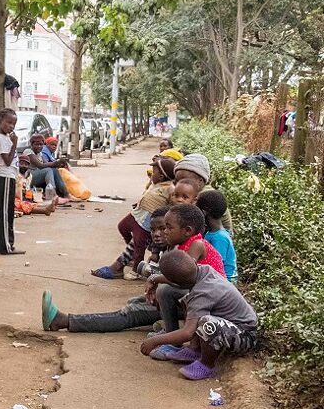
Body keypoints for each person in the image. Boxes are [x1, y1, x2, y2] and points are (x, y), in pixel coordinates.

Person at [43, 204, 225, 334]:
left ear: (187, 230)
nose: (163, 233)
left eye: (168, 228)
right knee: (137, 301)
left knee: (130, 314)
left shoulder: (195, 246)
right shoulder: (184, 245)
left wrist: (155, 279)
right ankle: (167, 322)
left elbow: (186, 279)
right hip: (193, 299)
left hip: (204, 304)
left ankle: (64, 321)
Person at [139, 251, 257, 380]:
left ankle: (207, 365)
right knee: (189, 302)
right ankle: (194, 349)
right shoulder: (204, 270)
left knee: (207, 323)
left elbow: (187, 333)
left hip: (245, 335)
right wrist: (154, 278)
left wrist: (155, 341)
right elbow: (178, 279)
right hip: (231, 325)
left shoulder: (203, 293)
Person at [91, 157, 175, 281]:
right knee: (122, 226)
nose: (152, 173)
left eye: (154, 171)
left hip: (147, 222)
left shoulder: (169, 188)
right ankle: (130, 256)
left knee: (139, 245)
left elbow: (170, 205)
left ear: (162, 176)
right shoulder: (155, 184)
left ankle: (134, 269)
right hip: (138, 214)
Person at [0, 108, 24, 255]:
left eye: (13, 124)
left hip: (4, 176)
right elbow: (8, 161)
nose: (11, 126)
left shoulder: (4, 137)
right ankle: (6, 246)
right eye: (8, 123)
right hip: (4, 177)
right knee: (5, 214)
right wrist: (15, 143)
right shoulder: (2, 139)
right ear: (0, 121)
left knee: (0, 213)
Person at [174, 154, 232, 231]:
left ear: (200, 180)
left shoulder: (207, 197)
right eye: (177, 181)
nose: (181, 184)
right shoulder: (188, 193)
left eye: (185, 180)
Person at [197, 190, 238, 283]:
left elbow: (216, 266)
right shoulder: (211, 233)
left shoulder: (219, 238)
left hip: (224, 282)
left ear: (204, 212)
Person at [21, 133, 68, 198]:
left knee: (53, 170)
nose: (39, 146)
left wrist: (60, 164)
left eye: (41, 145)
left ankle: (66, 194)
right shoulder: (28, 152)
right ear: (31, 145)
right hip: (28, 178)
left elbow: (47, 164)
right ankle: (53, 195)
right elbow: (40, 165)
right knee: (48, 170)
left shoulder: (39, 153)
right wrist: (56, 163)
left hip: (36, 176)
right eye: (36, 144)